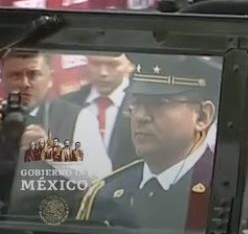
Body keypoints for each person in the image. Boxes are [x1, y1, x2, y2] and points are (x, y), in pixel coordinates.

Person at [76, 55, 219, 231]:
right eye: (135, 103)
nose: (141, 117)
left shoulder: (228, 193)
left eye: (159, 103)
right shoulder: (107, 193)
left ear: (203, 117)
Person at [65, 54, 137, 168]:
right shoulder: (68, 104)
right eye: (96, 64)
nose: (103, 72)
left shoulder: (143, 105)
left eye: (112, 64)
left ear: (130, 66)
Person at [1, 51, 80, 148]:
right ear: (3, 80)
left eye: (33, 75)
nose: (25, 84)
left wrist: (49, 149)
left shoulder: (78, 117)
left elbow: (94, 163)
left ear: (50, 79)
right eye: (16, 75)